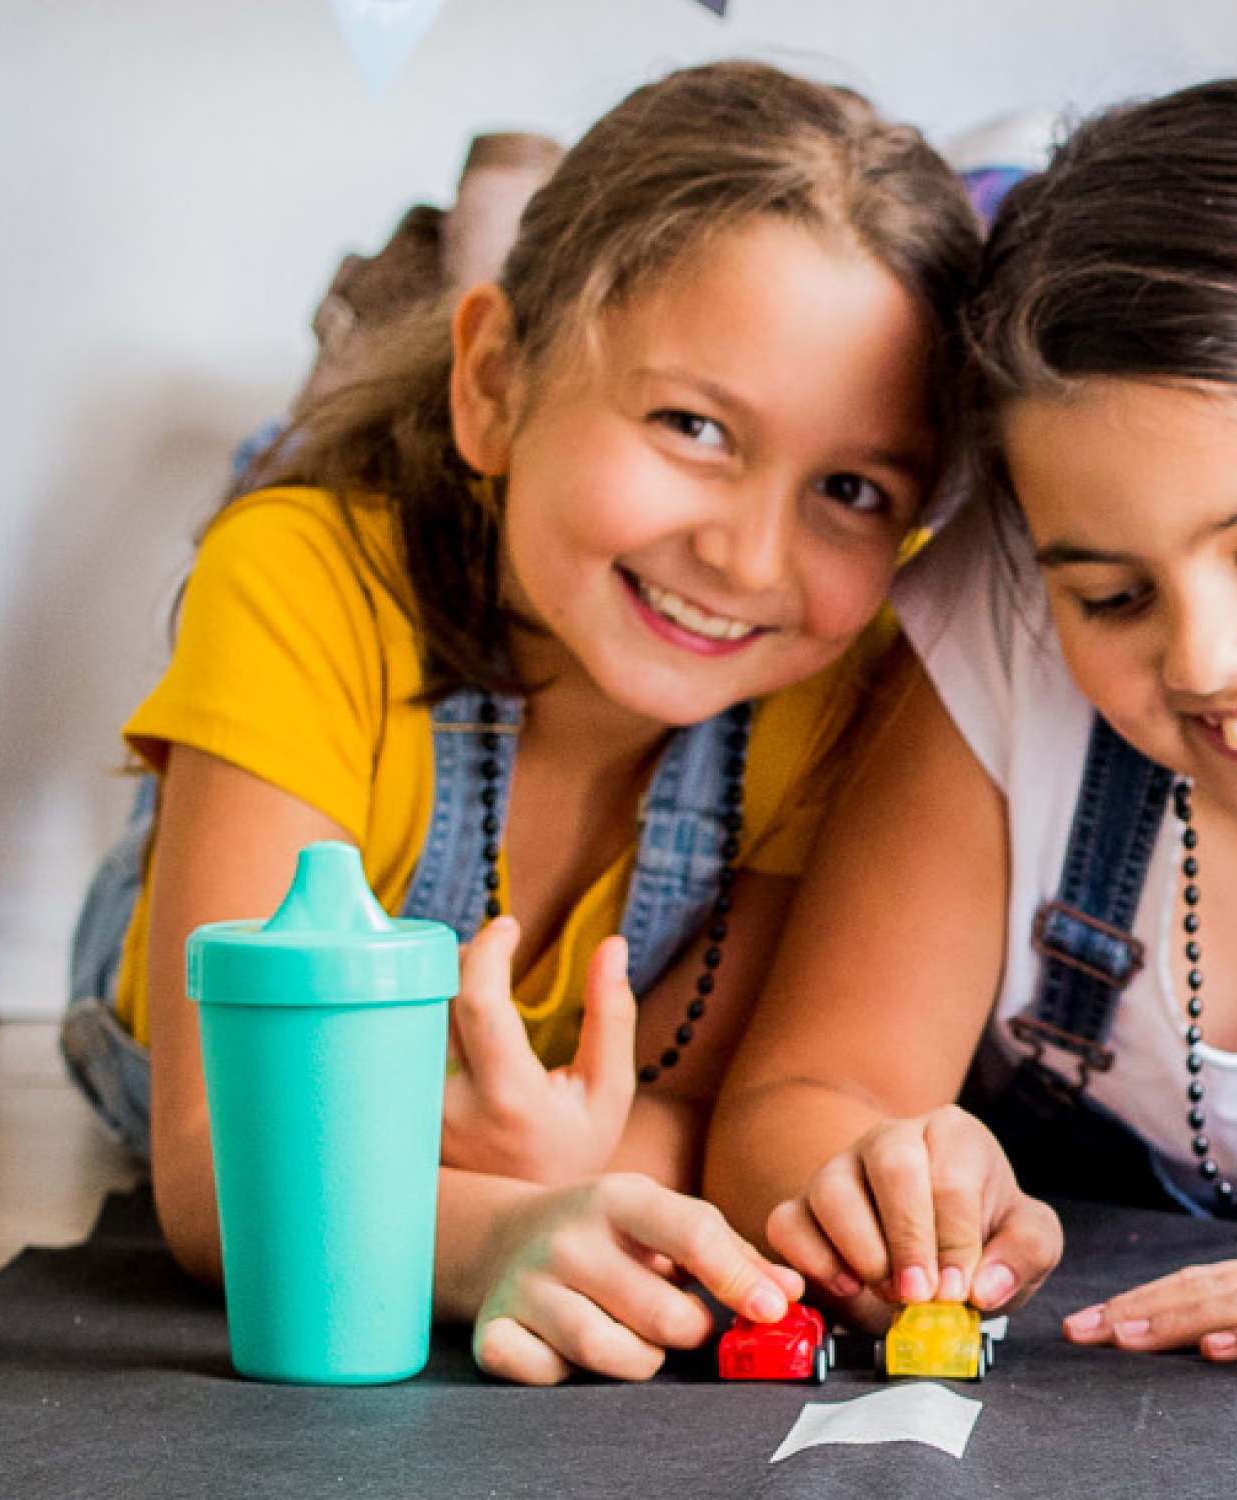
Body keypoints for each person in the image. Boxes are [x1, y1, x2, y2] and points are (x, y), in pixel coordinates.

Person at [63, 58, 980, 1384]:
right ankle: (373, 355)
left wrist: (572, 1165)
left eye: (850, 487)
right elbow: (223, 1163)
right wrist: (490, 1228)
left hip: (509, 1106)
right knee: (281, 505)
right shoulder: (298, 586)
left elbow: (714, 1117)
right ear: (491, 376)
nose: (747, 555)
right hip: (182, 1004)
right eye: (693, 425)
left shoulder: (844, 678)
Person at [706, 73, 1237, 1364]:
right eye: (1112, 593)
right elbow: (795, 1102)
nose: (1208, 657)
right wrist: (872, 1175)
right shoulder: (1001, 627)